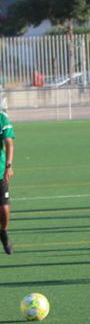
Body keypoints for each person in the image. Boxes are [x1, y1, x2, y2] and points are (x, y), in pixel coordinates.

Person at [0, 107, 13, 254]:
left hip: (0, 171)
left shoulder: (2, 118)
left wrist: (8, 166)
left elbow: (9, 142)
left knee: (4, 209)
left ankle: (3, 232)